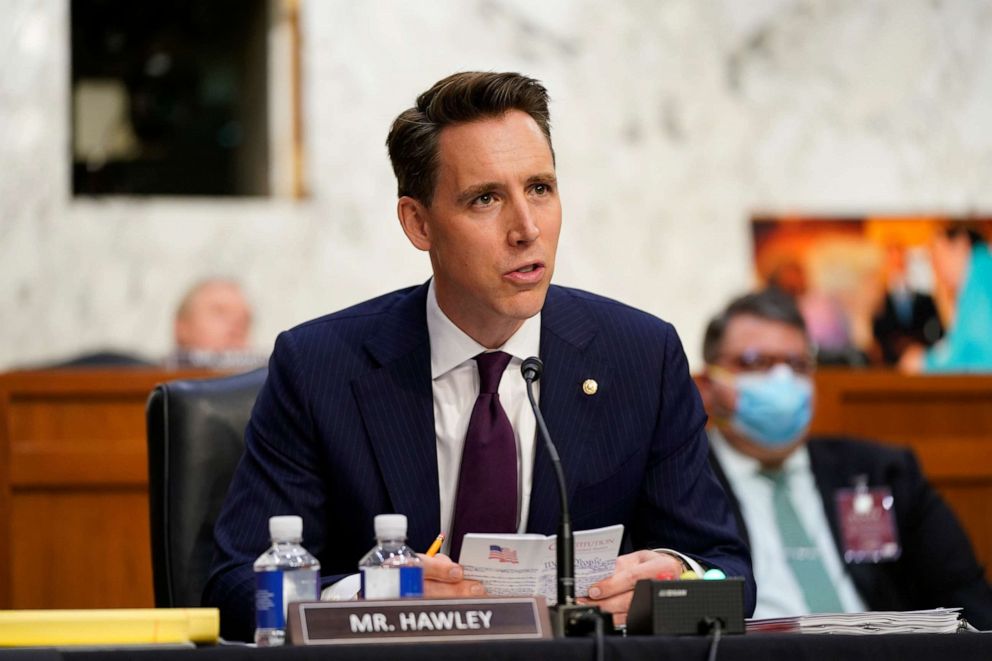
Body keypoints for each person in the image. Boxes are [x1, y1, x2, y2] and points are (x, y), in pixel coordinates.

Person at [203, 71, 754, 640]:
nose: (526, 228)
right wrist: (374, 596)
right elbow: (234, 587)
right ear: (419, 224)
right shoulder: (320, 367)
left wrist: (672, 586)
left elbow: (729, 576)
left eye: (539, 188)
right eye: (486, 199)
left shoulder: (641, 358)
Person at [696, 289, 992, 628]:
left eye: (798, 365)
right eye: (755, 363)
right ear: (707, 386)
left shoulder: (884, 472)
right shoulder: (681, 485)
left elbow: (968, 598)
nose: (782, 381)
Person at [900, 226, 992, 373]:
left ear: (961, 245)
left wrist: (925, 362)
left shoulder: (980, 278)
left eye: (937, 257)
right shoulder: (981, 273)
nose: (936, 270)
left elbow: (981, 357)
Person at [167, 278, 261, 369]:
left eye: (245, 320)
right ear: (183, 326)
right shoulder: (157, 378)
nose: (237, 326)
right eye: (220, 312)